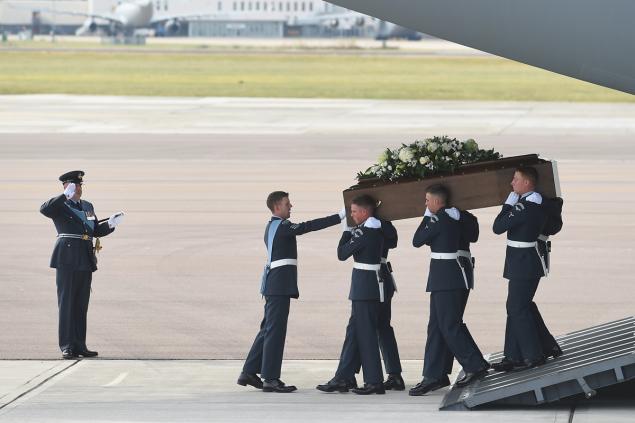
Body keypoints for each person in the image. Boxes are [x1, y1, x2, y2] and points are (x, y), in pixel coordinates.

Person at [238, 191, 343, 393]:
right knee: (275, 332)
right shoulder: (283, 226)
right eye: (287, 203)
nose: (291, 206)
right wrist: (339, 217)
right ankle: (270, 378)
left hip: (274, 284)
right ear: (277, 207)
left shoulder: (272, 226)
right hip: (279, 285)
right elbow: (308, 226)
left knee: (268, 328)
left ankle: (250, 371)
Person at [409, 185, 488, 396]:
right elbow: (473, 236)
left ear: (437, 202)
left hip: (446, 277)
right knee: (437, 325)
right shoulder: (464, 217)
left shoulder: (438, 219)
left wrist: (428, 216)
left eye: (427, 201)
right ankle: (434, 375)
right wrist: (460, 214)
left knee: (448, 324)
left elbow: (417, 241)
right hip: (457, 276)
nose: (425, 204)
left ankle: (475, 364)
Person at [40, 170, 123, 359]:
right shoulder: (60, 205)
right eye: (74, 185)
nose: (78, 188)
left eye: (79, 185)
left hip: (84, 257)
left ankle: (79, 345)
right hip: (67, 257)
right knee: (67, 302)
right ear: (66, 186)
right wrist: (64, 195)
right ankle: (67, 346)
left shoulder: (87, 205)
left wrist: (110, 224)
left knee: (80, 304)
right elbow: (44, 210)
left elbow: (93, 230)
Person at [317, 216, 404, 393]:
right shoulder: (382, 224)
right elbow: (393, 240)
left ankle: (353, 378)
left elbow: (342, 253)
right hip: (383, 279)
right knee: (377, 327)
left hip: (369, 283)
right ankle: (390, 374)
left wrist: (348, 230)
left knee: (362, 329)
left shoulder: (367, 228)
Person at [491, 167, 559, 372]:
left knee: (516, 307)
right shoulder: (535, 202)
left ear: (527, 183)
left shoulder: (525, 206)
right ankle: (516, 354)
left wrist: (507, 205)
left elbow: (498, 227)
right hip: (523, 261)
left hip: (525, 262)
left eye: (516, 179)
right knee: (519, 306)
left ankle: (533, 355)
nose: (512, 183)